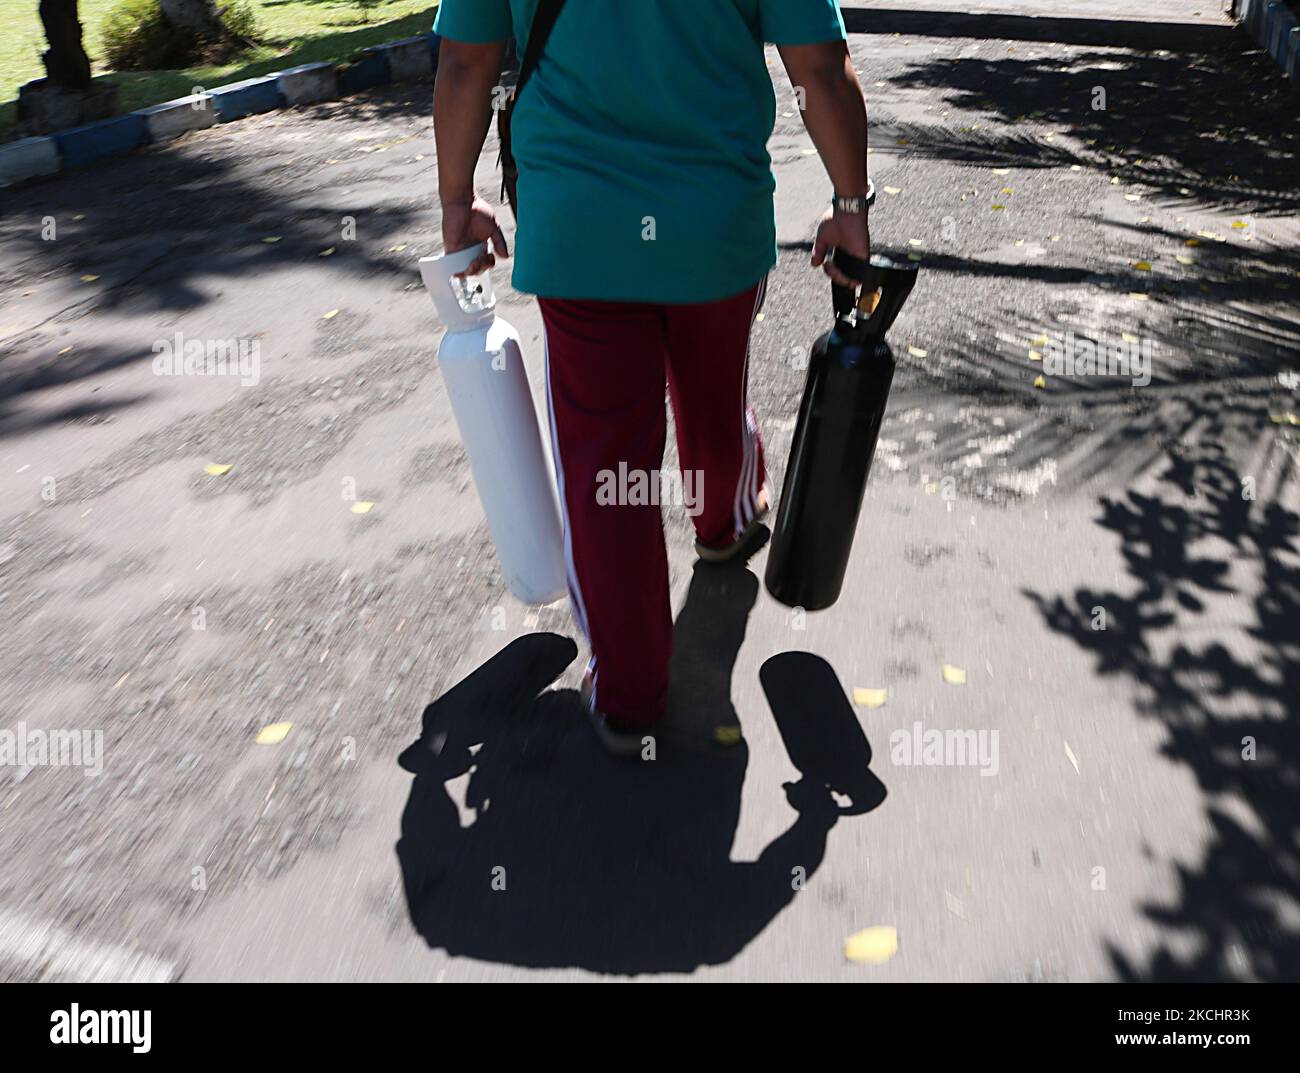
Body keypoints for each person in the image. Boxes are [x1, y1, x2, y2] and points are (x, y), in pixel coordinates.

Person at [433, 0, 871, 756]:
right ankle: (725, 525)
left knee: (606, 463)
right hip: (715, 224)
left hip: (581, 228)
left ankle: (630, 689)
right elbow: (820, 70)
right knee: (712, 392)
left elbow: (466, 60)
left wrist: (454, 201)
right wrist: (850, 204)